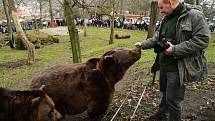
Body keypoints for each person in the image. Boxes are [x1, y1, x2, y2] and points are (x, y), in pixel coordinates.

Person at [135, 0, 209, 121]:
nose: (161, 11)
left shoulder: (194, 15)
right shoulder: (167, 18)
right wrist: (142, 44)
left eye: (162, 7)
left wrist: (175, 49)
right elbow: (157, 38)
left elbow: (203, 40)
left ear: (170, 2)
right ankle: (162, 115)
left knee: (173, 100)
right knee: (164, 93)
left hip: (177, 67)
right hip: (164, 64)